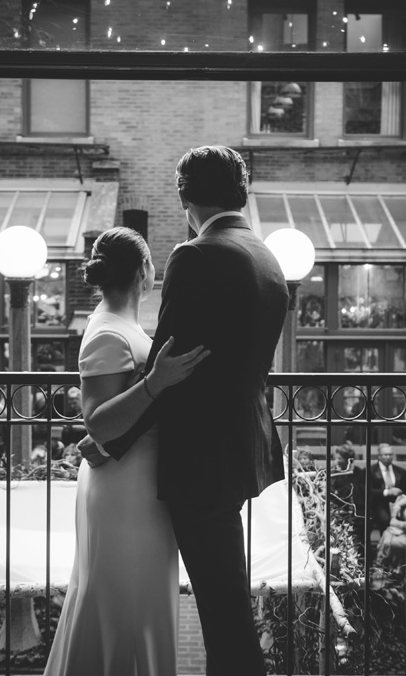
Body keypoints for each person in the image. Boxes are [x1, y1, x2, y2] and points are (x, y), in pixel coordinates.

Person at [100, 145, 289, 676]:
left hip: (200, 460)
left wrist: (112, 435)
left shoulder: (197, 254)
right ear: (241, 193)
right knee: (226, 601)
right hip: (239, 447)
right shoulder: (265, 254)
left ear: (185, 196)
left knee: (223, 613)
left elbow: (168, 364)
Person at [43, 226, 210, 676]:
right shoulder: (106, 333)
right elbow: (97, 422)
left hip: (138, 484)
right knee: (124, 609)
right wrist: (156, 382)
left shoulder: (126, 326)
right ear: (144, 272)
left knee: (138, 606)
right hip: (124, 493)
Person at [368, 442, 406, 533]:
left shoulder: (401, 471)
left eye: (390, 454)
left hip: (399, 503)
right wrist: (387, 492)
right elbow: (368, 491)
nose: (388, 457)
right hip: (379, 503)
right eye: (385, 454)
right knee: (385, 519)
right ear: (379, 456)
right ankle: (385, 543)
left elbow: (405, 489)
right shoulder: (370, 471)